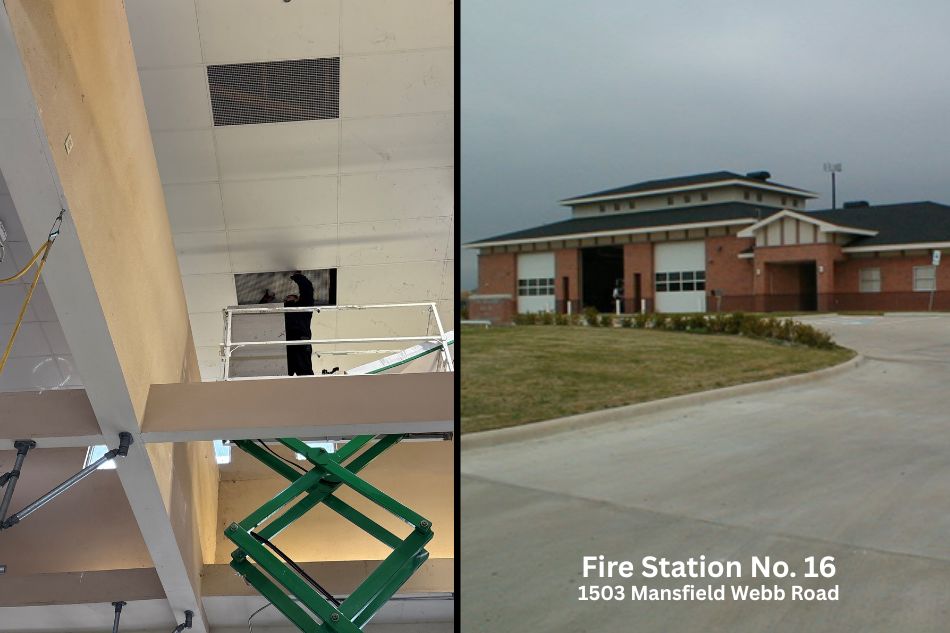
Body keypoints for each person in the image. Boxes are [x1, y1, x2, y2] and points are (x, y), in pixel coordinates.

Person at [284, 272, 315, 376]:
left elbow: (307, 291)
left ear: (297, 299)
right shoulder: (281, 312)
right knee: (284, 373)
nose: (288, 299)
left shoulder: (303, 309)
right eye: (286, 298)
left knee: (304, 371)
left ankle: (310, 389)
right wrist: (266, 299)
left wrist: (298, 277)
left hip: (300, 341)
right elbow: (261, 316)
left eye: (291, 297)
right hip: (286, 343)